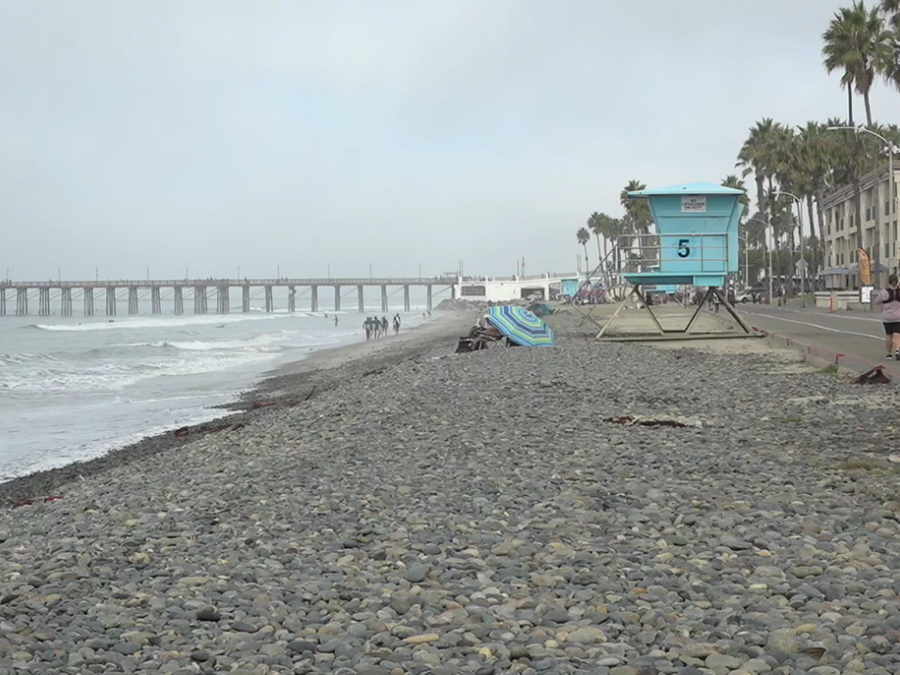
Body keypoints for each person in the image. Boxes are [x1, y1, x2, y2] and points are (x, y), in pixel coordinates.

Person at [875, 273, 900, 360]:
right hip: (898, 317)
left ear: (888, 282)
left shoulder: (884, 292)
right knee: (898, 334)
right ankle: (897, 349)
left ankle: (889, 354)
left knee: (889, 335)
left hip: (887, 317)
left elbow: (876, 301)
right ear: (897, 282)